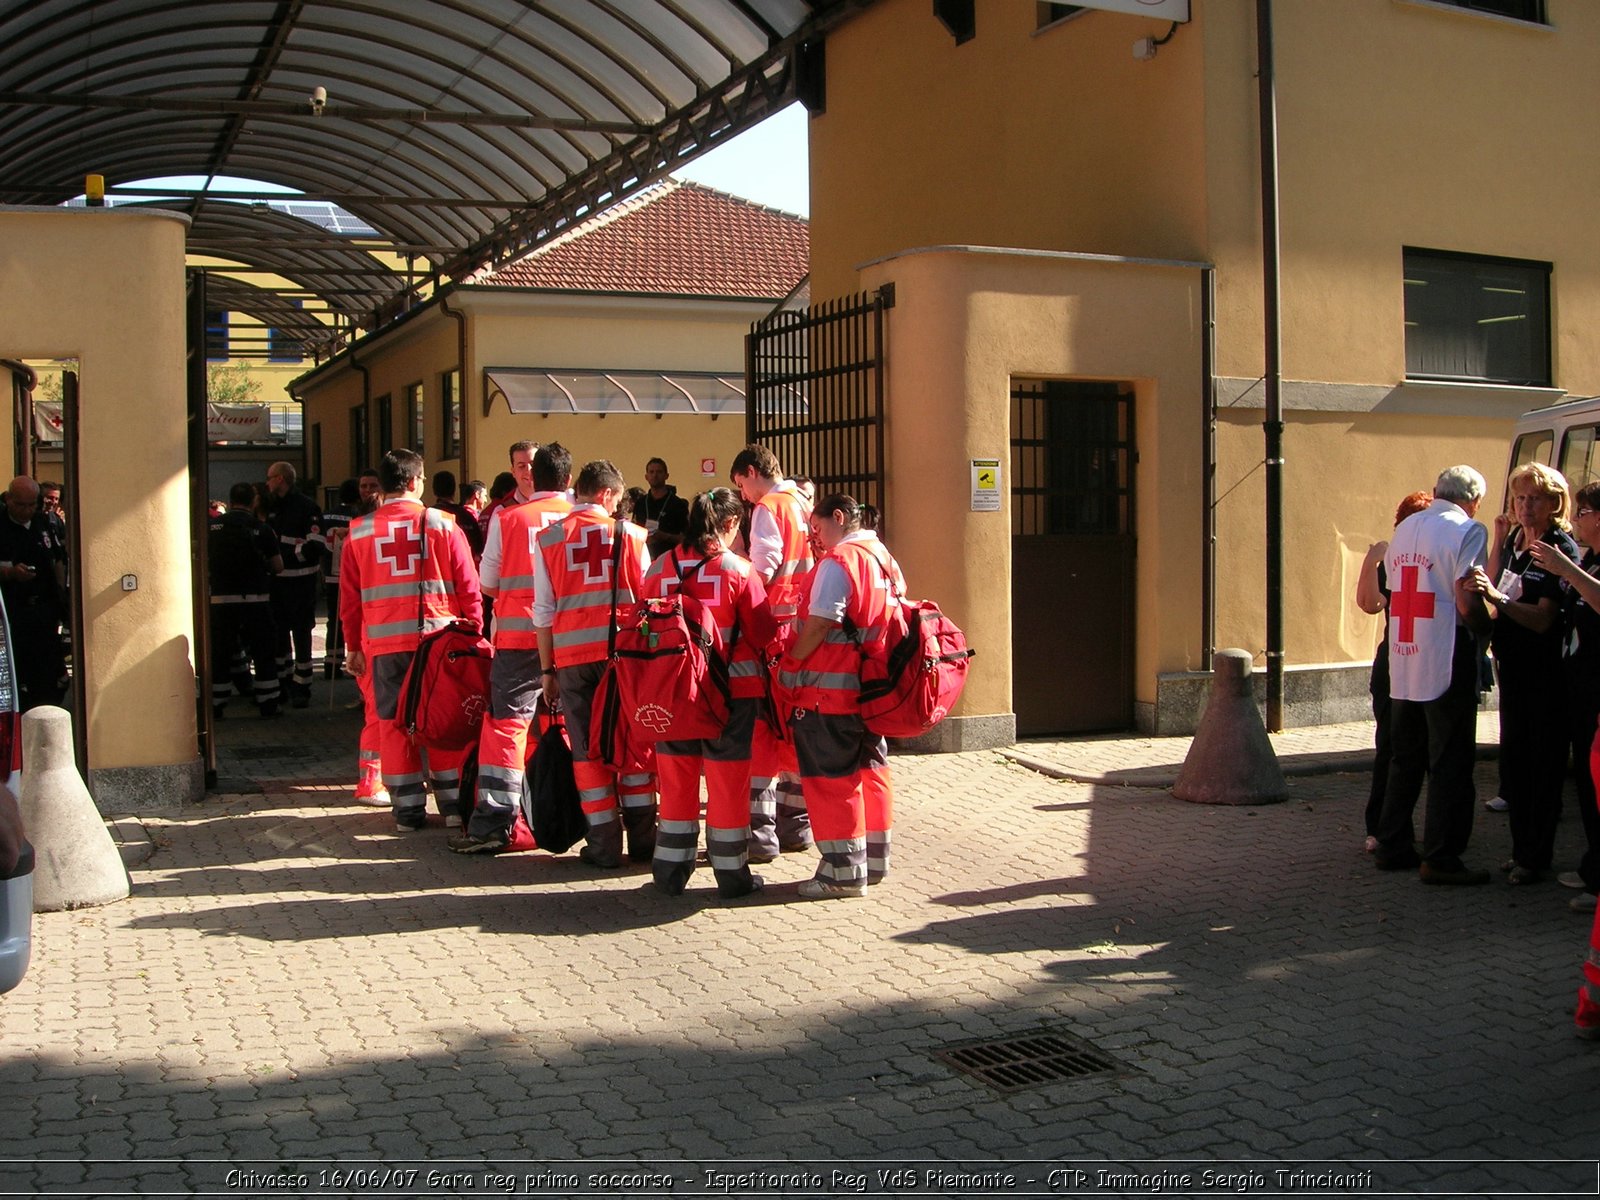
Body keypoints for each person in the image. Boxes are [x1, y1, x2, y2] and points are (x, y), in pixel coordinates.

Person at [340, 449, 482, 832]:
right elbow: (469, 586)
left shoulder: (359, 532)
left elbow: (349, 601)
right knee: (442, 719)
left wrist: (353, 646)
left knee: (392, 723)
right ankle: (452, 807)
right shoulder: (443, 524)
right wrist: (475, 632)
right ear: (417, 481)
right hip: (440, 644)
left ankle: (407, 812)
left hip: (385, 646)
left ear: (382, 487)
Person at [644, 488, 775, 898]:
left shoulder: (660, 568)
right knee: (727, 783)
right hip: (731, 693)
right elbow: (763, 633)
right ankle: (731, 875)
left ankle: (669, 873)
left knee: (676, 782)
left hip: (671, 692)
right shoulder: (739, 570)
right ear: (731, 524)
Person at [777, 493, 903, 899]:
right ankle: (874, 859)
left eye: (818, 529)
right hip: (872, 690)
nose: (816, 539)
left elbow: (819, 624)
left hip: (829, 692)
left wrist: (790, 664)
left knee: (831, 780)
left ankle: (842, 873)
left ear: (838, 517)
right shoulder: (883, 558)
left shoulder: (840, 563)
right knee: (871, 772)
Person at [451, 443, 574, 853]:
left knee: (508, 727)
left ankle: (497, 822)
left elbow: (487, 584)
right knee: (578, 726)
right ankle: (597, 817)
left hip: (519, 639)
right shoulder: (585, 517)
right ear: (569, 480)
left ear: (531, 476)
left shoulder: (508, 519)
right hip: (577, 639)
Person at [1374, 465, 1494, 885]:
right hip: (1446, 651)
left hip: (1405, 652)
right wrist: (1487, 628)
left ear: (1435, 491)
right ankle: (1441, 856)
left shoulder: (1406, 529)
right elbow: (1466, 600)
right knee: (1450, 760)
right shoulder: (1468, 530)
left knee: (1404, 755)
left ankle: (1391, 843)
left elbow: (1392, 584)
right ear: (1473, 500)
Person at [533, 460, 654, 868]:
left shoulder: (549, 538)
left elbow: (543, 612)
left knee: (586, 751)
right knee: (633, 745)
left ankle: (603, 845)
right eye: (618, 499)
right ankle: (643, 840)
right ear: (606, 495)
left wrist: (547, 670)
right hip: (623, 661)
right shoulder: (634, 536)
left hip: (572, 661)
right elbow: (649, 602)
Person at [1473, 462, 1576, 884]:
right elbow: (1496, 578)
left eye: (1534, 499)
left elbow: (1542, 619)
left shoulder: (1559, 548)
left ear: (1554, 504)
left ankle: (1536, 857)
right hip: (1512, 669)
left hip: (1545, 674)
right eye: (1519, 498)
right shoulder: (1518, 540)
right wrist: (1499, 540)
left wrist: (1498, 599)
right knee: (1515, 761)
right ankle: (1521, 852)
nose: (1525, 506)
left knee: (1541, 765)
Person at [730, 443, 816, 859]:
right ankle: (797, 826)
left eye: (742, 484)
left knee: (763, 730)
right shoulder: (802, 501)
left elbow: (765, 564)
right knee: (794, 727)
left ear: (751, 472)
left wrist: (738, 577)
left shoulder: (769, 507)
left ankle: (761, 835)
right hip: (805, 627)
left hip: (775, 630)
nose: (744, 495)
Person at [1527, 482, 1600, 912]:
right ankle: (1594, 868)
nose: (1576, 520)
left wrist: (1565, 569)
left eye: (1584, 512)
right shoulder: (1589, 557)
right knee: (1588, 786)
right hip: (1578, 681)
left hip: (1596, 684)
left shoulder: (1583, 562)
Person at [1355, 490, 1434, 853]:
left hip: (1411, 660)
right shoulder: (1397, 559)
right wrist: (1371, 562)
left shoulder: (1427, 558)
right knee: (1391, 747)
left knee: (1407, 749)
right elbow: (1370, 604)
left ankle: (1405, 827)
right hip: (1397, 663)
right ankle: (1382, 827)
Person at [208, 481, 283, 718]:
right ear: (254, 501)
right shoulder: (261, 528)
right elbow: (278, 566)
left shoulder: (211, 527)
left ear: (230, 501)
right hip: (256, 600)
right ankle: (268, 701)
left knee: (219, 653)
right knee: (263, 652)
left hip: (220, 601)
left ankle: (216, 703)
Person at [0, 477, 68, 711]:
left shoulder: (43, 523)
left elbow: (58, 559)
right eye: (21, 505)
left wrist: (62, 598)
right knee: (20, 670)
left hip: (45, 609)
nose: (27, 510)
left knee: (49, 672)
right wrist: (9, 573)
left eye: (31, 505)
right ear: (9, 500)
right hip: (13, 612)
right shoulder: (1, 526)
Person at [264, 460, 324, 709]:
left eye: (270, 477)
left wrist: (284, 554)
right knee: (279, 634)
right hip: (278, 584)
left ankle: (303, 685)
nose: (267, 482)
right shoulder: (271, 508)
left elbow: (315, 547)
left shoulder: (307, 507)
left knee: (301, 634)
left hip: (301, 583)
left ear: (280, 479)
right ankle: (284, 681)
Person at [319, 479, 362, 680]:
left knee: (332, 620)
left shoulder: (325, 515)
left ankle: (331, 664)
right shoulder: (358, 517)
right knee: (352, 617)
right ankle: (353, 661)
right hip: (351, 575)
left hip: (330, 575)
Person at [637, 457, 690, 558]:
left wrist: (665, 536)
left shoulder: (678, 504)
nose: (655, 475)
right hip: (644, 556)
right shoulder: (640, 503)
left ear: (666, 476)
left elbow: (687, 538)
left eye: (659, 472)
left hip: (670, 558)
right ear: (646, 476)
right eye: (651, 472)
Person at [430, 469, 485, 560]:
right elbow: (479, 548)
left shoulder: (427, 516)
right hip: (465, 565)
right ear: (454, 490)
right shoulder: (467, 516)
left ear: (434, 491)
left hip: (439, 569)